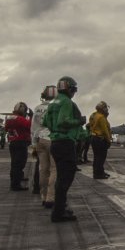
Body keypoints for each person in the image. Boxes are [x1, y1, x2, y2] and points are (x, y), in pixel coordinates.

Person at [43, 76, 84, 222]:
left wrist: (55, 131)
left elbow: (45, 121)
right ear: (70, 89)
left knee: (61, 177)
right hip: (65, 142)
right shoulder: (66, 102)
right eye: (74, 90)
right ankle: (59, 212)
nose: (74, 93)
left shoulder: (53, 102)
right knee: (65, 178)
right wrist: (79, 121)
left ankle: (60, 209)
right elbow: (63, 121)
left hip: (55, 142)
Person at [32, 86, 58, 208]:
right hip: (52, 139)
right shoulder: (57, 107)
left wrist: (33, 145)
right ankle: (50, 198)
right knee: (54, 169)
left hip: (39, 140)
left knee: (43, 169)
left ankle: (43, 196)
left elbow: (33, 128)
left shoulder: (37, 108)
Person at [5, 102, 32, 191]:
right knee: (19, 164)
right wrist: (31, 117)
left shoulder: (9, 118)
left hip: (12, 142)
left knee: (14, 163)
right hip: (20, 143)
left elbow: (6, 128)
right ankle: (15, 185)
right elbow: (30, 126)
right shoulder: (20, 119)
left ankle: (16, 179)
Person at [88, 101, 112, 179]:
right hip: (100, 139)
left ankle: (99, 172)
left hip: (94, 138)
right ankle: (99, 174)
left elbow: (90, 125)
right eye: (105, 108)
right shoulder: (101, 117)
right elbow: (105, 130)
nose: (106, 109)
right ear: (102, 109)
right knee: (101, 157)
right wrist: (108, 140)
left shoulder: (93, 115)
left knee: (96, 157)